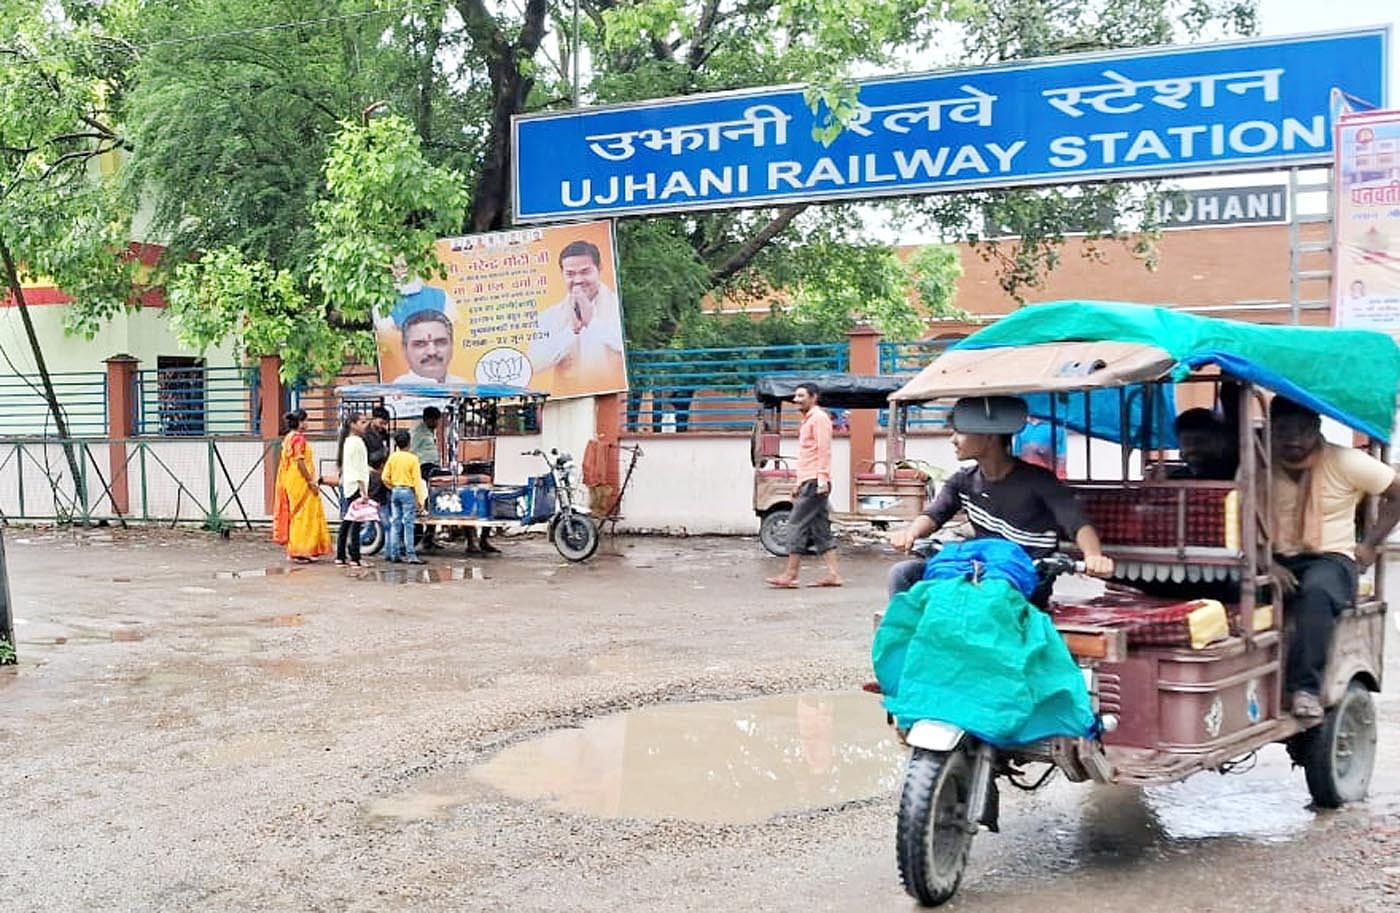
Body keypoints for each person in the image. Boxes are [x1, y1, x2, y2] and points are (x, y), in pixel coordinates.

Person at [887, 396, 1114, 607]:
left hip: (1027, 578)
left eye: (960, 432)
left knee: (984, 593)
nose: (952, 440)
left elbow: (1078, 524)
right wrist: (911, 534)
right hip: (980, 570)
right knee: (903, 573)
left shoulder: (1039, 481)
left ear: (989, 437)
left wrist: (1094, 557)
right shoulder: (962, 481)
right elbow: (934, 514)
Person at [1269, 396, 1400, 720]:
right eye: (1284, 431)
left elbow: (1398, 492)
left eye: (1302, 431)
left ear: (1317, 429)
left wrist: (1369, 544)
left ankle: (1305, 689)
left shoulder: (1345, 461)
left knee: (1317, 592)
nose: (1294, 441)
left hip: (1330, 557)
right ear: (1271, 431)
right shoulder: (1257, 462)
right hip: (1274, 557)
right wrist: (1266, 565)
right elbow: (1243, 516)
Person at [766, 382, 842, 588]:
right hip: (810, 480)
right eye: (796, 396)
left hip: (815, 481)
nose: (796, 400)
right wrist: (799, 482)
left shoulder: (819, 419)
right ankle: (834, 575)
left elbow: (823, 450)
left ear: (813, 397)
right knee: (820, 529)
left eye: (801, 396)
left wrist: (821, 479)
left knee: (795, 524)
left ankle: (790, 575)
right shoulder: (809, 420)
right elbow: (808, 454)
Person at [528, 240, 624, 391]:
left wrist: (593, 322)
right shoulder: (550, 316)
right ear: (562, 274)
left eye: (585, 272)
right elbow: (534, 364)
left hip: (612, 397)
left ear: (599, 269)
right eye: (570, 274)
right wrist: (571, 332)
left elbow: (628, 346)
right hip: (567, 401)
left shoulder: (619, 307)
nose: (578, 280)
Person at [271, 411, 331, 563]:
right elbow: (300, 462)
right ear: (300, 422)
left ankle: (304, 549)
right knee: (302, 514)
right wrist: (311, 481)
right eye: (306, 421)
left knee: (299, 513)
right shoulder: (298, 439)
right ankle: (299, 551)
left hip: (291, 480)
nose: (308, 424)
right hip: (300, 481)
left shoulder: (288, 437)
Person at [382, 429, 428, 565]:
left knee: (395, 523)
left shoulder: (393, 457)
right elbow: (417, 481)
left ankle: (394, 554)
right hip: (408, 492)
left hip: (395, 490)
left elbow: (384, 477)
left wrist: (392, 487)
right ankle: (411, 555)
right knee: (408, 524)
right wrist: (420, 500)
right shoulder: (413, 459)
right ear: (409, 443)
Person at [335, 412, 372, 568]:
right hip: (357, 486)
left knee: (348, 522)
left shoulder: (348, 442)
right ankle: (355, 558)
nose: (366, 425)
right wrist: (363, 491)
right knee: (355, 523)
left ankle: (341, 556)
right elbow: (358, 469)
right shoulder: (357, 442)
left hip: (350, 485)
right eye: (362, 422)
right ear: (353, 424)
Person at [392, 310, 468, 384]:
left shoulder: (466, 390)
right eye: (420, 344)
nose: (432, 352)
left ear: (452, 345)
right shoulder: (393, 394)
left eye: (440, 342)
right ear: (404, 349)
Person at [1170, 407, 1239, 481]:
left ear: (1221, 443)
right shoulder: (1176, 479)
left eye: (1200, 441)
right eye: (1186, 442)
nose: (1193, 448)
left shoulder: (1236, 477)